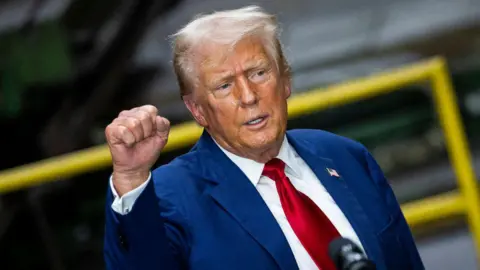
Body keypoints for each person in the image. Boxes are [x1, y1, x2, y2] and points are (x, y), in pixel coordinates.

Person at [103, 6, 424, 270]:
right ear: (197, 110)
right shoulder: (167, 197)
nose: (248, 96)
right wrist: (131, 177)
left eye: (258, 73)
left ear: (285, 80)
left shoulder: (344, 156)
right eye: (224, 85)